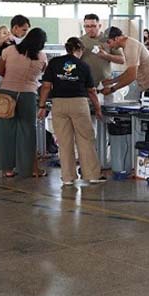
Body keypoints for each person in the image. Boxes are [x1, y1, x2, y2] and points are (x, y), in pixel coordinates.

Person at [39, 37, 105, 186]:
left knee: (64, 141)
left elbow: (46, 86)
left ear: (67, 49)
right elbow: (92, 91)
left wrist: (42, 106)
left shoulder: (54, 63)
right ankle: (92, 175)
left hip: (59, 104)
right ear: (80, 50)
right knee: (85, 139)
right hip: (79, 104)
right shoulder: (83, 65)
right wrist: (98, 108)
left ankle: (68, 177)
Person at [0, 28, 48, 178]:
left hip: (7, 93)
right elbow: (43, 73)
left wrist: (11, 74)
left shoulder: (10, 50)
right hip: (28, 95)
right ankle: (32, 169)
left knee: (6, 131)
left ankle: (7, 169)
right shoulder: (42, 56)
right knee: (28, 132)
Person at [101, 27, 149, 97]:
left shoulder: (130, 47)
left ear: (117, 38)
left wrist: (112, 89)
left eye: (109, 42)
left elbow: (131, 76)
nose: (109, 45)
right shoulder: (128, 44)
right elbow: (128, 72)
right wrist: (112, 81)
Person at [81, 14, 124, 89]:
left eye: (93, 26)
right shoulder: (80, 41)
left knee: (108, 100)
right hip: (86, 83)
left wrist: (107, 56)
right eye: (87, 26)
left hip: (106, 83)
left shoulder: (109, 40)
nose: (90, 29)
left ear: (99, 26)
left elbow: (122, 60)